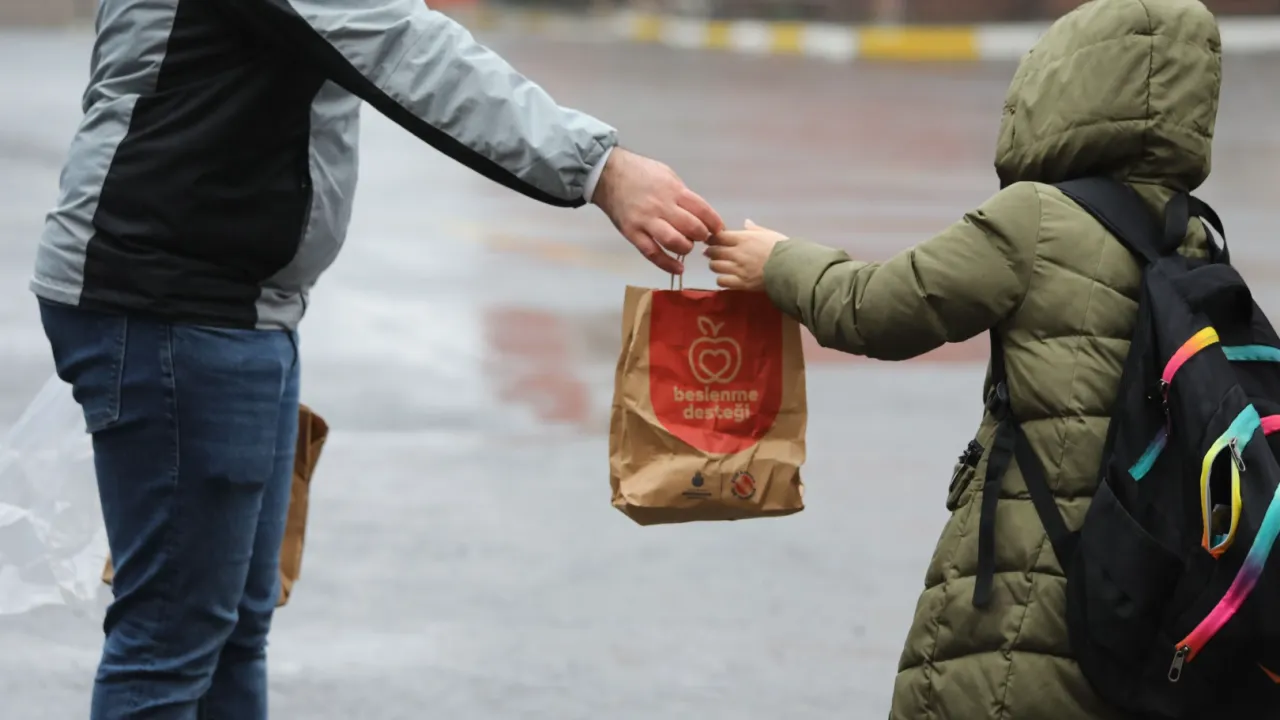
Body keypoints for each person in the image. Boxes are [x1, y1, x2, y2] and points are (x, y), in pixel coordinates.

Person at [32, 1, 722, 718]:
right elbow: (401, 44)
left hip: (233, 305)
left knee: (229, 628)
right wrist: (600, 167)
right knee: (172, 639)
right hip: (177, 307)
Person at [705, 0, 1220, 717]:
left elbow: (877, 310)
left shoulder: (1038, 219)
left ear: (1065, 88)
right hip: (1141, 596)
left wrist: (778, 263)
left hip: (1029, 587)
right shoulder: (1197, 238)